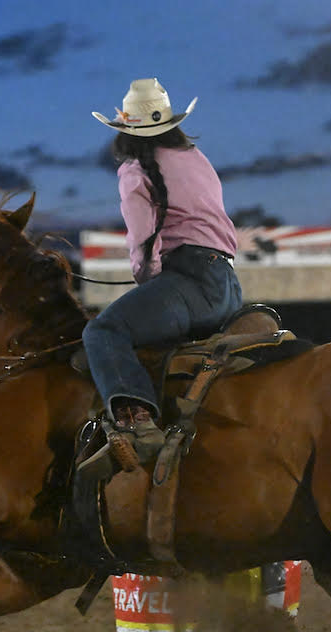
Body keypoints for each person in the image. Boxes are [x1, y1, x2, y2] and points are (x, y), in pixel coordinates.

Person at [81, 78, 242, 471]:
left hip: (187, 284)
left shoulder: (135, 172)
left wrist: (147, 277)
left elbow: (142, 246)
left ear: (124, 131)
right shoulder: (195, 157)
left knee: (102, 331)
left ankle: (138, 423)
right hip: (229, 287)